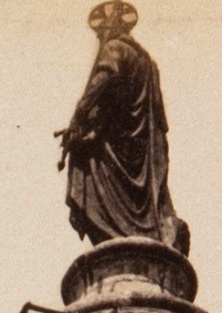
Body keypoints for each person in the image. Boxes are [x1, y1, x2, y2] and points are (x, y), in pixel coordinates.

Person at [57, 2, 187, 256]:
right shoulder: (148, 62)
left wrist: (77, 119)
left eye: (100, 33)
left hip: (116, 146)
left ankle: (116, 232)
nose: (99, 39)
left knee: (81, 153)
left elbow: (100, 84)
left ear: (110, 27)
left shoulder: (115, 48)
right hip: (139, 148)